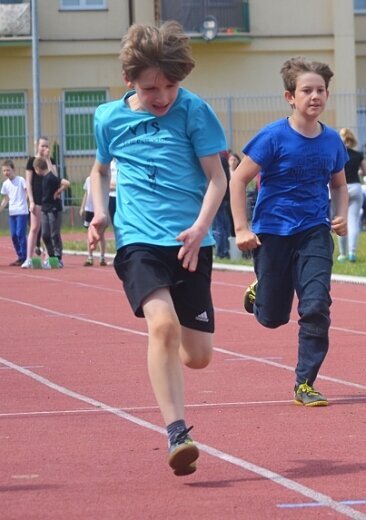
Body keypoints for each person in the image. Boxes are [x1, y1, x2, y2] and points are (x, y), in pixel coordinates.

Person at [87, 22, 228, 476]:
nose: (162, 96)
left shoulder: (194, 112)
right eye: (151, 88)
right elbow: (99, 171)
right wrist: (99, 213)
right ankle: (177, 432)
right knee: (162, 326)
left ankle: (178, 364)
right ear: (130, 81)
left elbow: (218, 178)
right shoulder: (109, 118)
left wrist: (200, 226)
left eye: (170, 85)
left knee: (198, 356)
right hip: (139, 242)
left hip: (191, 242)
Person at [230, 57, 348, 407]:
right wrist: (241, 228)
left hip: (313, 231)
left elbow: (339, 185)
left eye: (321, 90)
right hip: (272, 234)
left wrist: (339, 215)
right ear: (289, 97)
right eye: (306, 90)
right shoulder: (272, 137)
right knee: (273, 317)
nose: (315, 96)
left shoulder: (332, 141)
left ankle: (305, 383)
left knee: (315, 305)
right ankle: (259, 292)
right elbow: (238, 180)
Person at [337, 127, 366, 262]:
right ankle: (352, 252)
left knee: (341, 220)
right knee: (353, 221)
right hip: (355, 187)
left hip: (341, 189)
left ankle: (342, 254)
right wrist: (357, 171)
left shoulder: (337, 154)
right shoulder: (358, 155)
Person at [24, 137, 55, 268]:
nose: (44, 149)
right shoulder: (31, 161)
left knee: (48, 231)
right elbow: (28, 182)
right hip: (36, 199)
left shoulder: (50, 161)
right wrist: (30, 201)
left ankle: (48, 258)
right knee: (35, 228)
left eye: (47, 146)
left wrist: (47, 159)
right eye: (42, 146)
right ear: (37, 145)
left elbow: (55, 177)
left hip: (48, 200)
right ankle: (29, 258)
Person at [35, 157, 69, 268]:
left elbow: (66, 183)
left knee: (54, 234)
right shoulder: (43, 178)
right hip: (45, 209)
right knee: (45, 235)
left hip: (53, 209)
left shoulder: (50, 177)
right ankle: (52, 256)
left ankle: (58, 258)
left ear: (38, 168)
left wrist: (58, 192)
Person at [0, 160, 29, 266]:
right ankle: (20, 256)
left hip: (22, 211)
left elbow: (27, 192)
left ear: (13, 169)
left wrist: (26, 201)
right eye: (4, 171)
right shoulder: (5, 184)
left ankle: (25, 257)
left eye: (8, 170)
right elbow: (6, 198)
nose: (6, 172)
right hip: (12, 212)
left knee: (20, 233)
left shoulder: (20, 180)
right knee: (13, 235)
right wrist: (1, 208)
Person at [79, 176, 107, 266]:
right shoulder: (88, 179)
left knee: (100, 234)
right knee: (89, 233)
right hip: (89, 209)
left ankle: (102, 257)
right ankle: (90, 257)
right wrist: (82, 207)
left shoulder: (102, 179)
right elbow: (86, 193)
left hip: (99, 209)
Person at [211, 153, 232, 260]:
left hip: (218, 198)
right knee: (224, 226)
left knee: (218, 227)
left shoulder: (216, 159)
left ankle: (220, 251)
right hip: (225, 197)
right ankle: (225, 250)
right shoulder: (223, 160)